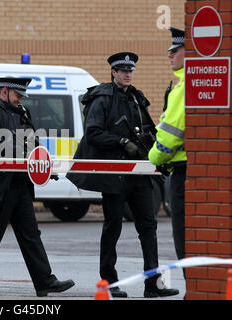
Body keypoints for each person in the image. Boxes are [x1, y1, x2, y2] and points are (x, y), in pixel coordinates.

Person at [66, 52, 179, 298]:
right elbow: (93, 133)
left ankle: (152, 283)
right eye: (123, 70)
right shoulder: (102, 98)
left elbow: (149, 130)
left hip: (137, 173)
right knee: (113, 228)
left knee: (148, 226)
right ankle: (109, 281)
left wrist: (154, 149)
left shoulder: (137, 98)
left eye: (131, 70)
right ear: (114, 72)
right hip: (113, 174)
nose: (128, 74)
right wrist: (121, 140)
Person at [0, 77, 74, 297]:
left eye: (22, 96)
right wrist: (25, 150)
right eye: (17, 95)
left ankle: (44, 281)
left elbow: (33, 143)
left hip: (19, 183)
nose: (20, 100)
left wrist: (42, 164)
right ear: (4, 91)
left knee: (30, 234)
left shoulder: (21, 113)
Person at [149, 27, 186, 260]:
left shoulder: (183, 88)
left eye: (175, 50)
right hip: (198, 171)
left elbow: (169, 137)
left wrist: (152, 158)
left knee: (183, 237)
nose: (169, 55)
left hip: (182, 173)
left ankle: (192, 290)